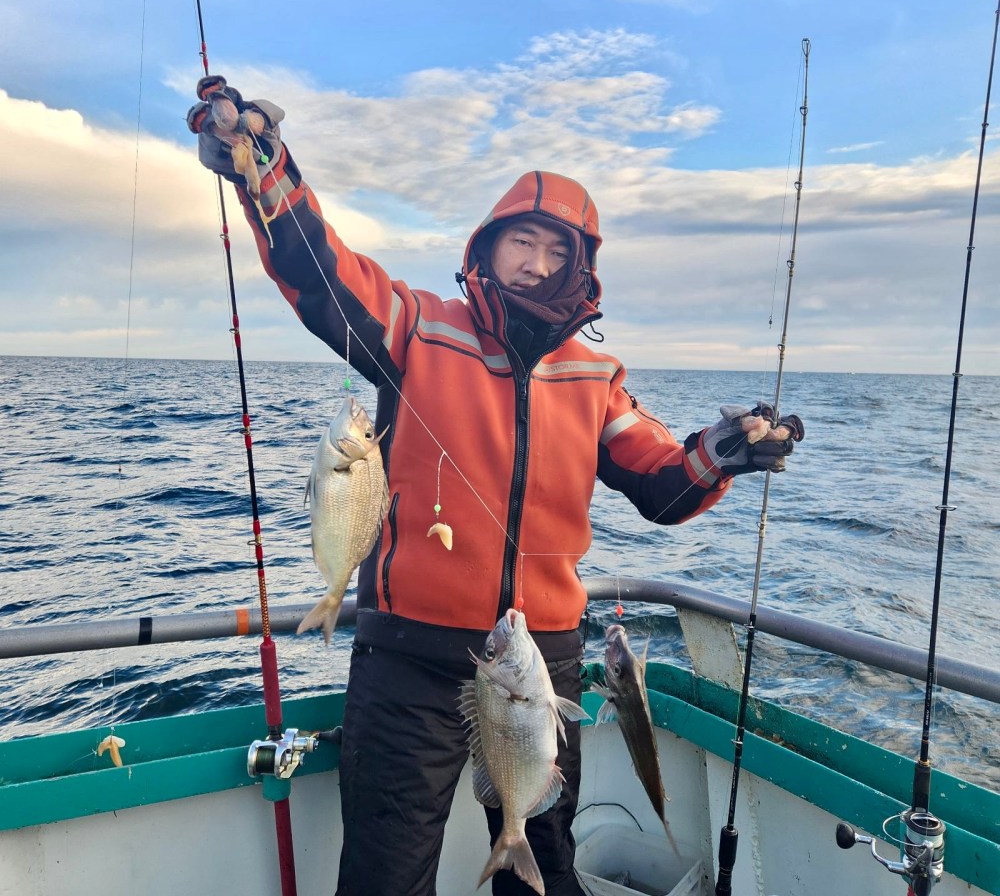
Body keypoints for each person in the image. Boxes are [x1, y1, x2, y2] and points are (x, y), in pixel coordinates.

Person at [188, 77, 804, 896]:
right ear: (487, 246)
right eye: (523, 242)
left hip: (541, 664)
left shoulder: (595, 376)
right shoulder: (418, 327)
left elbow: (662, 482)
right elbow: (325, 275)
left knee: (544, 876)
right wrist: (261, 167)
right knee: (384, 874)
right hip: (410, 659)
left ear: (581, 267)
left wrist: (726, 451)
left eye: (560, 251)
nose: (537, 263)